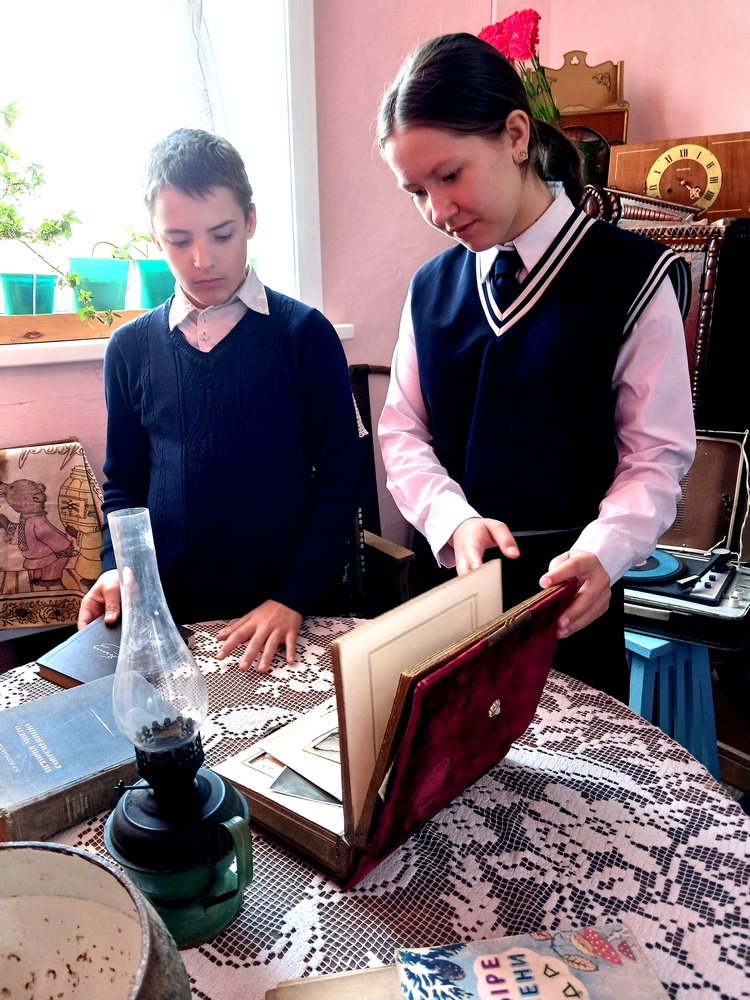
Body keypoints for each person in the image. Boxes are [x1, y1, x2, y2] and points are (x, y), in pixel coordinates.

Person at [376, 33, 696, 700]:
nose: (438, 211)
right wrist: (451, 519)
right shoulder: (430, 288)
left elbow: (655, 456)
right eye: (415, 191)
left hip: (569, 602)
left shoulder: (631, 278)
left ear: (516, 135)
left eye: (450, 175)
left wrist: (605, 550)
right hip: (452, 600)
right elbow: (403, 431)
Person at [78, 128, 360, 672]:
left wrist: (292, 597)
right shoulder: (129, 348)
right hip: (172, 620)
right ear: (154, 239)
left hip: (292, 613)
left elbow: (340, 482)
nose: (202, 259)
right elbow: (125, 486)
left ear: (250, 221)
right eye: (179, 240)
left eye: (222, 234)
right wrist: (116, 568)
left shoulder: (304, 335)